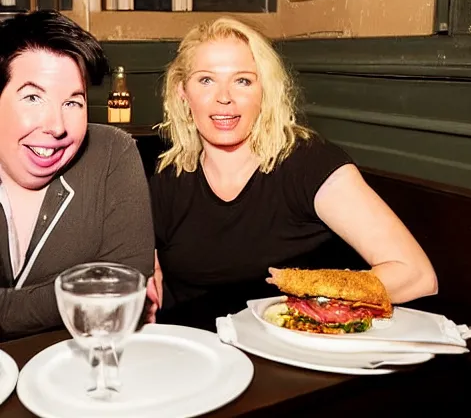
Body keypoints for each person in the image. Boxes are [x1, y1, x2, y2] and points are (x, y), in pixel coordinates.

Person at [150, 17, 438, 330]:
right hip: (196, 354)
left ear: (265, 90)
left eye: (243, 80)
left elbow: (417, 275)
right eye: (206, 80)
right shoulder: (169, 178)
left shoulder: (308, 163)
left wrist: (310, 301)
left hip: (289, 355)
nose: (224, 97)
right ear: (182, 91)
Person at [0, 10, 160, 340]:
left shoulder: (112, 152)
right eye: (33, 97)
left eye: (73, 102)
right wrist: (82, 290)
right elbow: (111, 290)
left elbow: (126, 285)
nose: (57, 127)